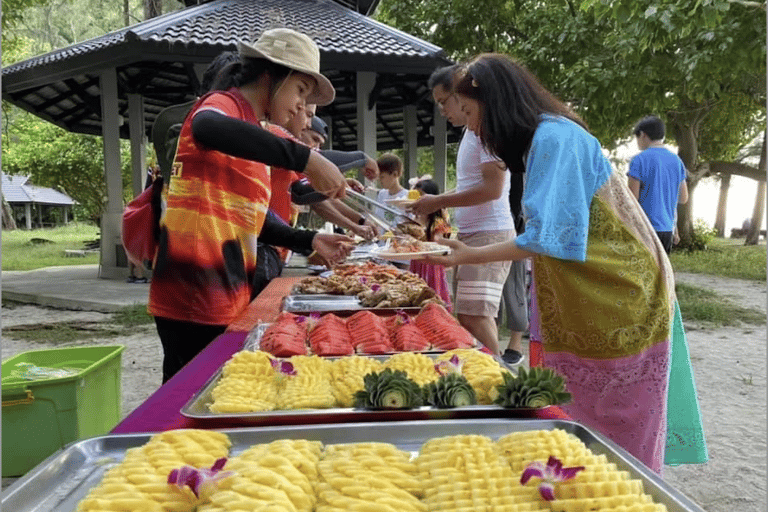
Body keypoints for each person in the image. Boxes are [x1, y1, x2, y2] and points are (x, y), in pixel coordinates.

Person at [427, 54, 706, 474]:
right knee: (579, 411)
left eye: (467, 111)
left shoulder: (554, 138)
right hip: (594, 289)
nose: (467, 124)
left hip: (617, 292)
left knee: (616, 419)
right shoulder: (546, 138)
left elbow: (547, 237)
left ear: (496, 102)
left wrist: (468, 254)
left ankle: (621, 492)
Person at [148, 28, 354, 383]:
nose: (301, 107)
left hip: (228, 290)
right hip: (193, 293)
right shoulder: (221, 106)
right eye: (300, 90)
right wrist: (307, 159)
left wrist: (309, 241)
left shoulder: (254, 131)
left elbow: (251, 220)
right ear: (269, 74)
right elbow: (206, 125)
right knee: (187, 403)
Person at [410, 64, 517, 359]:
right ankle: (487, 378)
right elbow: (472, 186)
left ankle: (499, 381)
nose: (443, 110)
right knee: (468, 316)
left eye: (445, 101)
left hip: (490, 233)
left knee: (476, 317)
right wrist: (435, 200)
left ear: (462, 92)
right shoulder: (472, 132)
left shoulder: (485, 130)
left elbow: (492, 190)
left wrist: (438, 201)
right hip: (475, 234)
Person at [627, 115, 689, 254]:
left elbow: (631, 198)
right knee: (661, 274)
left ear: (642, 135)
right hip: (667, 229)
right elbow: (683, 198)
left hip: (644, 228)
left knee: (641, 273)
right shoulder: (677, 161)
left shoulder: (639, 160)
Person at [408, 178, 452, 310]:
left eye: (421, 197)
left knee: (433, 290)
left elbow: (437, 241)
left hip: (432, 264)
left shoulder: (438, 221)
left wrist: (420, 227)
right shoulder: (414, 219)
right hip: (417, 261)